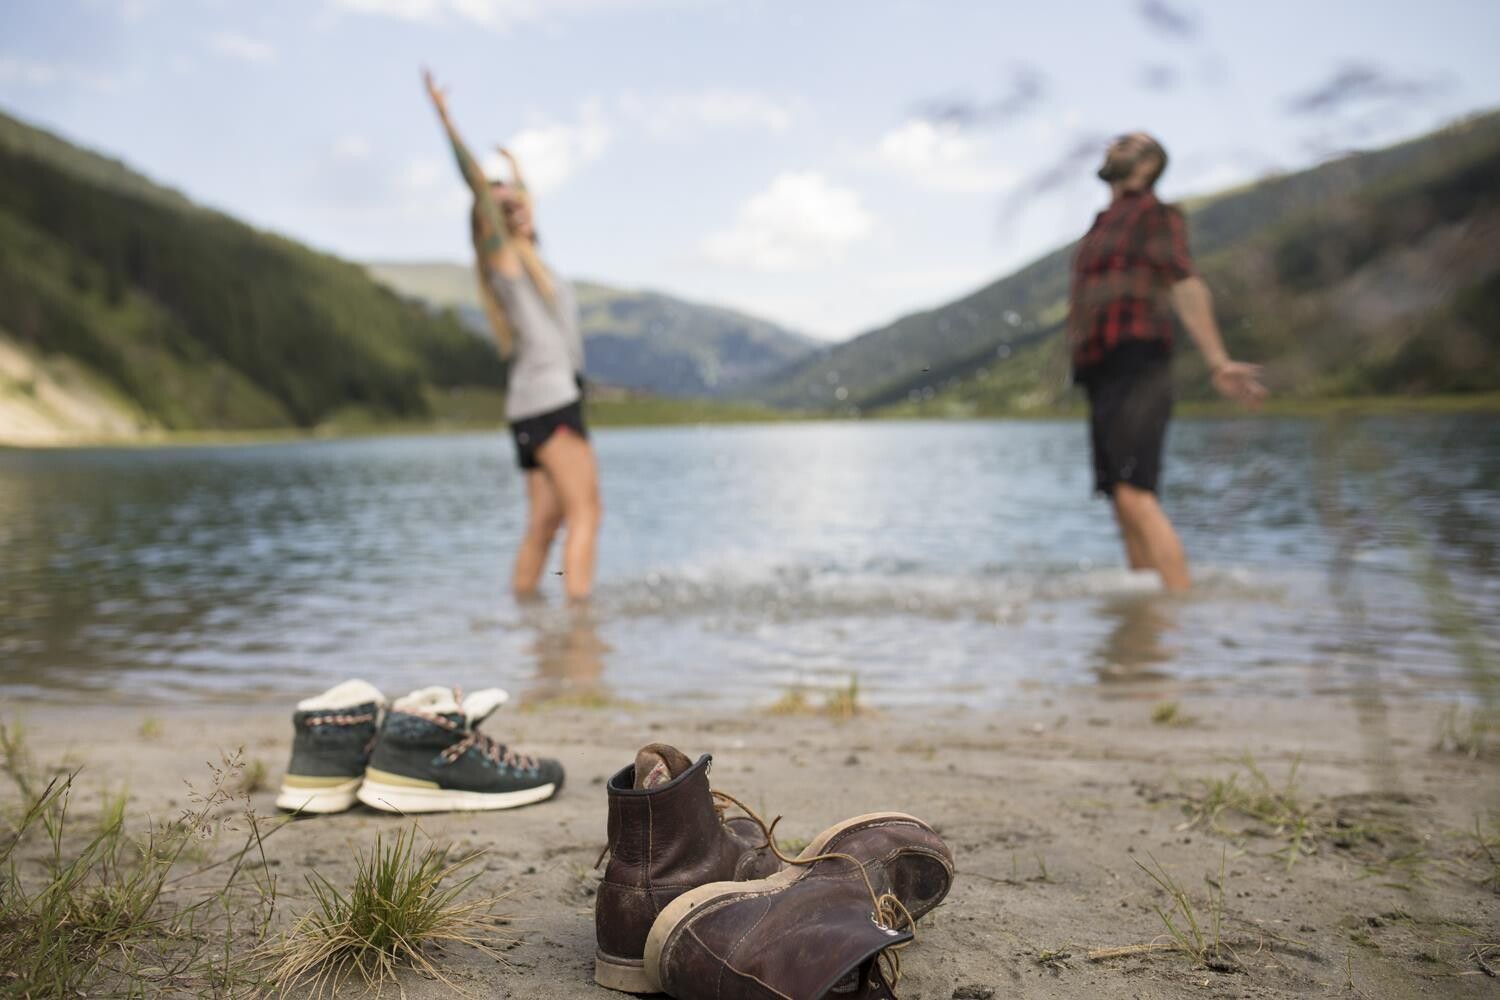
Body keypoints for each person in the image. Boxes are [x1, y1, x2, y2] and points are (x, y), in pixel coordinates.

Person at [424, 70, 601, 601]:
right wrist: (446, 119)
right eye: (503, 206)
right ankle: (580, 625)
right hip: (551, 402)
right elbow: (481, 189)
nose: (517, 205)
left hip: (534, 403)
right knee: (586, 512)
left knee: (545, 523)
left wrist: (518, 171)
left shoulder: (529, 260)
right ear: (488, 222)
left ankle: (526, 618)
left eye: (518, 201)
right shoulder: (503, 262)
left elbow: (520, 199)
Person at [1069, 132, 1266, 592]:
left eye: (1127, 143)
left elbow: (1184, 282)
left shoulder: (1154, 215)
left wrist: (1217, 361)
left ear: (1148, 165)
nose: (1113, 144)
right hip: (1100, 368)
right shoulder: (1103, 222)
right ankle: (1146, 609)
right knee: (1120, 496)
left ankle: (1179, 605)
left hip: (1139, 361)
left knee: (1136, 490)